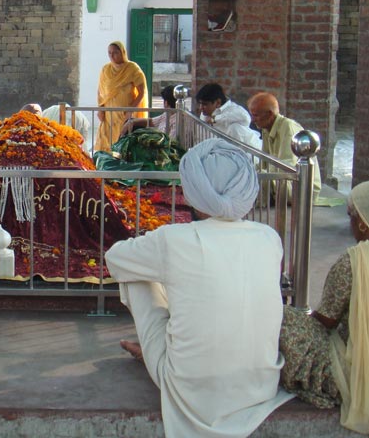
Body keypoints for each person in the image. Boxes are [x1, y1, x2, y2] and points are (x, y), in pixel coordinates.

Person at [105, 139, 293, 437]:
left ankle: (158, 351)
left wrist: (154, 252)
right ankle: (168, 345)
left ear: (193, 192)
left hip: (193, 390)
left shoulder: (173, 239)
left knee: (137, 273)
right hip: (259, 385)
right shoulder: (269, 237)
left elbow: (115, 259)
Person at [278, 180, 369, 438]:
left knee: (284, 321)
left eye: (351, 216)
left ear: (362, 222)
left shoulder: (356, 261)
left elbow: (325, 320)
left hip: (365, 378)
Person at [247, 92, 321, 200]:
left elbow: (286, 168)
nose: (253, 120)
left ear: (270, 115)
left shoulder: (288, 128)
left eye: (255, 115)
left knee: (255, 181)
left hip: (301, 186)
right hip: (282, 180)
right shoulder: (266, 128)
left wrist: (257, 174)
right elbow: (265, 164)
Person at [95, 41, 148, 152]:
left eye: (115, 53)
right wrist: (101, 109)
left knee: (123, 143)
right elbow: (100, 92)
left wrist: (130, 110)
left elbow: (141, 93)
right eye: (109, 53)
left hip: (125, 115)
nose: (112, 56)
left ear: (122, 52)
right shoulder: (106, 70)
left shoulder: (132, 69)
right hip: (109, 115)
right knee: (107, 144)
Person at [196, 82, 261, 149]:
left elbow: (246, 118)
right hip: (219, 153)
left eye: (205, 104)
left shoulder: (234, 109)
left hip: (250, 154)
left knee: (234, 127)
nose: (201, 108)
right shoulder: (204, 114)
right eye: (200, 104)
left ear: (218, 102)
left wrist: (215, 119)